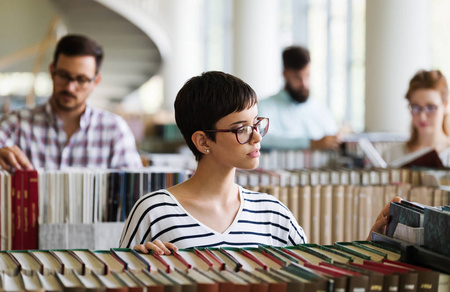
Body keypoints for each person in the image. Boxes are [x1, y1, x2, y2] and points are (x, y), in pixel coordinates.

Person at [119, 71, 399, 254]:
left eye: (256, 123)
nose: (256, 137)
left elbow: (312, 279)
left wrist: (370, 245)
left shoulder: (273, 214)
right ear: (203, 141)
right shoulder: (154, 212)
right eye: (241, 128)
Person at [0, 34, 142, 171]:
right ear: (51, 71)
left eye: (81, 79)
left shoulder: (115, 131)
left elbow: (135, 193)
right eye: (63, 75)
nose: (70, 87)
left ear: (96, 81)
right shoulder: (16, 124)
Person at [258, 46, 341, 150]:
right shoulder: (264, 107)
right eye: (297, 77)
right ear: (285, 74)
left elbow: (333, 137)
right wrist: (311, 143)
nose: (304, 84)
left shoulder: (321, 110)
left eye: (307, 75)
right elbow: (262, 138)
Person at [383, 70, 450, 166]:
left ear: (445, 105)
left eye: (430, 107)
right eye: (416, 107)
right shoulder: (391, 155)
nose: (422, 117)